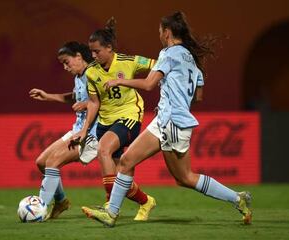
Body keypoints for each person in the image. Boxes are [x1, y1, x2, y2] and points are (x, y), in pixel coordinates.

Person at [81, 11, 252, 227]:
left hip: (172, 122)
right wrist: (175, 94)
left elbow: (148, 84)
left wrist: (120, 82)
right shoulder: (192, 59)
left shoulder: (168, 53)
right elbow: (197, 97)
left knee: (185, 178)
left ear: (168, 32)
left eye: (160, 31)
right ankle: (111, 213)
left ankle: (237, 198)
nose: (159, 35)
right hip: (167, 119)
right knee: (126, 161)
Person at [74, 17, 157, 221]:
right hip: (105, 122)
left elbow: (158, 65)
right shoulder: (92, 71)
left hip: (129, 116)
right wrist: (85, 130)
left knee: (103, 149)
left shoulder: (128, 62)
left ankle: (110, 206)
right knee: (122, 175)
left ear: (109, 47)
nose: (92, 56)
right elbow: (94, 102)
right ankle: (146, 202)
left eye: (97, 51)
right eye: (91, 52)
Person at [29, 41, 98, 220]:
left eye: (67, 62)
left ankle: (39, 211)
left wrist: (87, 105)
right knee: (41, 162)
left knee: (53, 162)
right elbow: (74, 97)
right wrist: (48, 96)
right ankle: (61, 201)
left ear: (78, 56)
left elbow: (104, 101)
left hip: (92, 133)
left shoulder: (94, 74)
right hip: (78, 129)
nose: (65, 67)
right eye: (62, 64)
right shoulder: (79, 77)